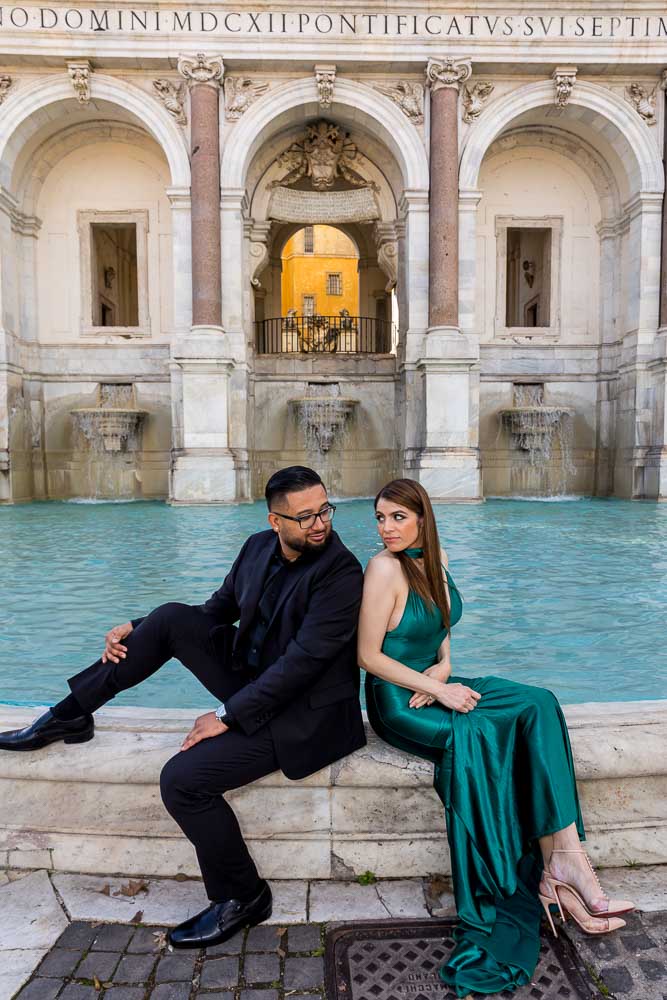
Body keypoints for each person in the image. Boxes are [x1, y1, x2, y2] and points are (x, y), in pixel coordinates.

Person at [0, 466, 366, 949]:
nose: (320, 524)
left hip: (304, 711)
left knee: (182, 780)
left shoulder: (342, 572)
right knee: (171, 617)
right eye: (305, 517)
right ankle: (71, 712)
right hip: (254, 679)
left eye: (324, 511)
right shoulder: (258, 546)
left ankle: (245, 896)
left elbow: (301, 666)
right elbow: (214, 611)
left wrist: (223, 716)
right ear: (275, 520)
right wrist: (139, 625)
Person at [358, 478, 634, 998]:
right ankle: (564, 870)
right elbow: (368, 657)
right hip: (399, 702)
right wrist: (431, 689)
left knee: (538, 703)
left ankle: (564, 858)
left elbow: (443, 646)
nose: (387, 528)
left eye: (397, 517)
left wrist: (442, 678)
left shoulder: (433, 563)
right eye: (380, 518)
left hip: (433, 687)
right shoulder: (382, 568)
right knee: (487, 728)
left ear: (422, 518)